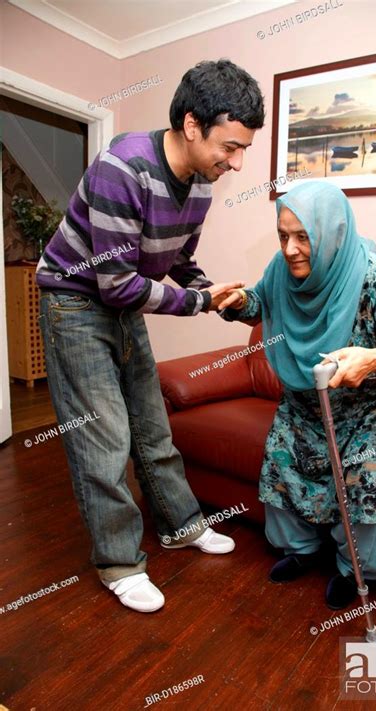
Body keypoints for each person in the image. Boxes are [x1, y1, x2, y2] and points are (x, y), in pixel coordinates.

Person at [35, 59, 265, 613]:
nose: (235, 164)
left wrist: (217, 298)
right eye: (229, 148)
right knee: (104, 436)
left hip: (121, 293)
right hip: (75, 300)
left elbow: (179, 261)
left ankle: (181, 526)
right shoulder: (124, 165)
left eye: (242, 152)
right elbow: (116, 285)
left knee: (151, 424)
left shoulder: (201, 186)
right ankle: (118, 562)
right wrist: (197, 303)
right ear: (192, 125)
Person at [219, 180, 376, 610]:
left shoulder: (373, 278)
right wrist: (236, 302)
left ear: (332, 234)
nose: (290, 249)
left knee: (363, 477)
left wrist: (375, 359)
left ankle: (353, 568)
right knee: (282, 459)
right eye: (283, 235)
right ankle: (301, 550)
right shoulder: (282, 271)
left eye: (303, 237)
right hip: (310, 402)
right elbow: (261, 302)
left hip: (375, 407)